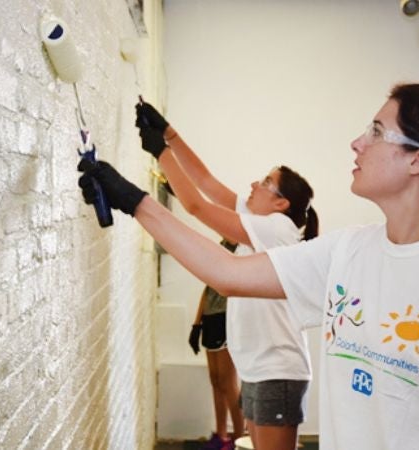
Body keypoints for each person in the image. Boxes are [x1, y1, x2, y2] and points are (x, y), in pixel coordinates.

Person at [78, 83, 419, 450]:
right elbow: (226, 272)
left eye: (377, 132)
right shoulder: (348, 251)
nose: (356, 143)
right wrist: (134, 200)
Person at [134, 101, 320, 450]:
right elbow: (204, 182)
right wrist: (168, 132)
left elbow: (196, 206)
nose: (254, 183)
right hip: (259, 368)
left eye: (265, 182)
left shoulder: (278, 229)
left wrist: (161, 153)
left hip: (277, 372)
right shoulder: (261, 225)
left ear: (281, 203)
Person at [189, 239, 244, 450]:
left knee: (228, 382)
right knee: (216, 380)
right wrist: (197, 324)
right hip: (210, 318)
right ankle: (221, 437)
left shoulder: (243, 248)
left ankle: (240, 440)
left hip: (226, 318)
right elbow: (208, 287)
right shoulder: (222, 244)